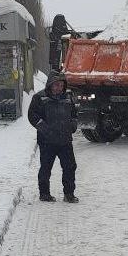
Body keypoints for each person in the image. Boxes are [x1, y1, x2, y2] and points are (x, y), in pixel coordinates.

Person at [27, 70, 79, 203]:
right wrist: (44, 128)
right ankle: (44, 194)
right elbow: (32, 115)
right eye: (56, 85)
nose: (59, 88)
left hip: (65, 140)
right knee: (46, 168)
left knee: (70, 167)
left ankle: (69, 194)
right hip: (47, 141)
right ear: (50, 84)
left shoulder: (68, 97)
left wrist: (73, 124)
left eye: (61, 85)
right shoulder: (39, 98)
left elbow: (74, 113)